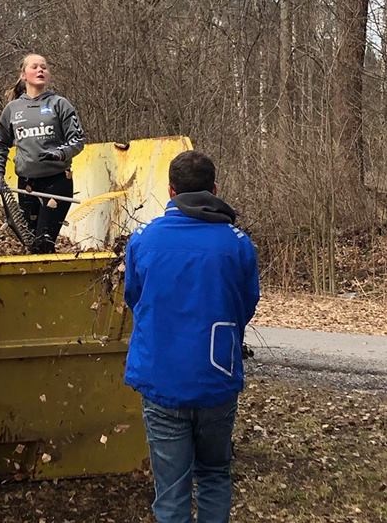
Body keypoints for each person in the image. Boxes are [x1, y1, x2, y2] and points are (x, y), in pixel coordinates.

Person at [123, 151, 260, 523]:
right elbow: (245, 305)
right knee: (214, 473)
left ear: (170, 191)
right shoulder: (237, 243)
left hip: (161, 380)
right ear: (215, 189)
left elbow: (134, 298)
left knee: (170, 493)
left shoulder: (143, 240)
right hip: (216, 379)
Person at [0, 53, 86, 253]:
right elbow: (0, 143)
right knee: (30, 242)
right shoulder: (12, 109)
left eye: (44, 67)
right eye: (34, 67)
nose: (41, 70)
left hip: (57, 182)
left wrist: (59, 154)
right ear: (23, 75)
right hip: (26, 185)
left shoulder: (59, 104)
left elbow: (78, 140)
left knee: (43, 242)